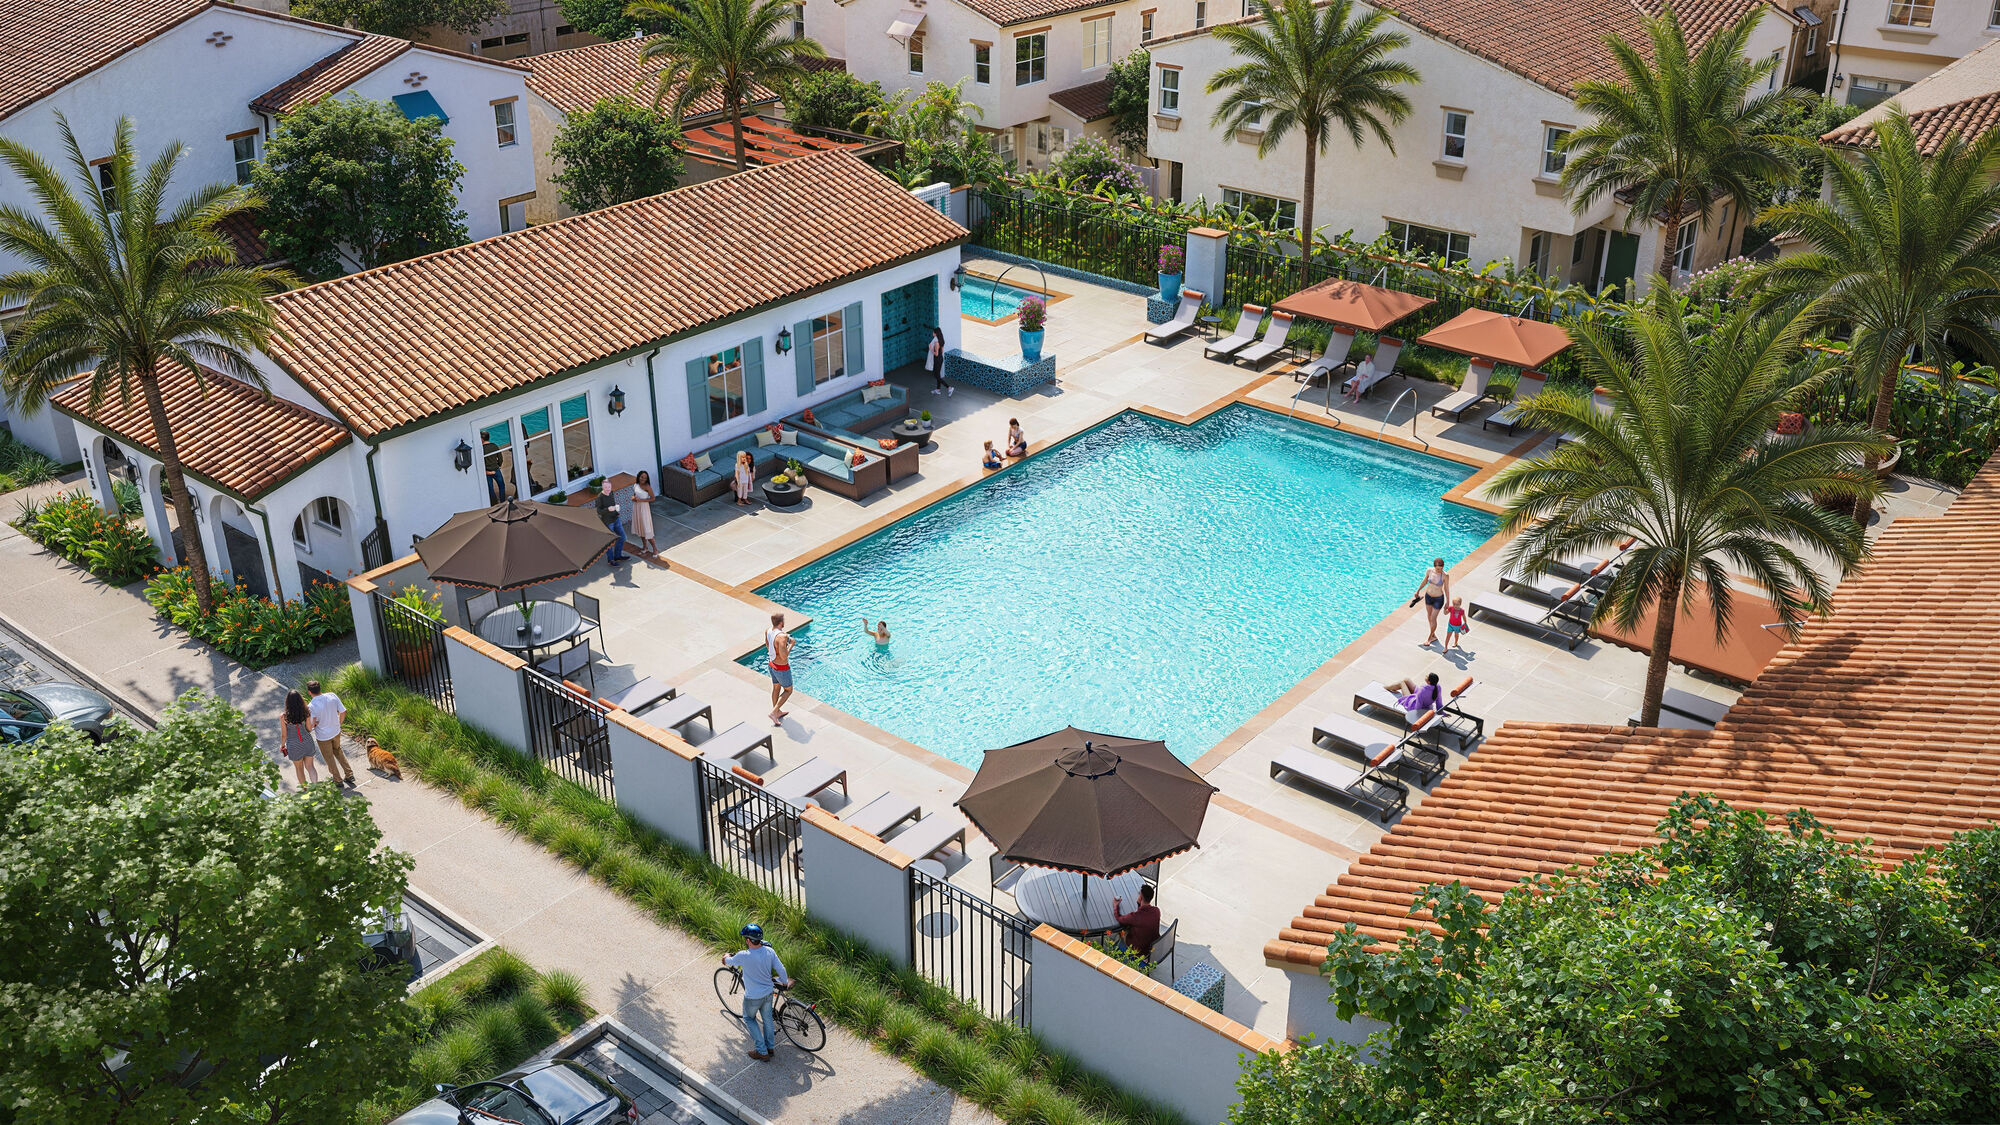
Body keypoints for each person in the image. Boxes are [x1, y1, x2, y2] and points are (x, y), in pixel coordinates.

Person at [723, 923, 791, 1061]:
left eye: (745, 939)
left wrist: (725, 957)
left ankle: (761, 1051)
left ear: (748, 940)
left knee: (749, 1018)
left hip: (753, 997)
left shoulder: (744, 956)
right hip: (768, 993)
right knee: (767, 1019)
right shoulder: (769, 951)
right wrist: (784, 981)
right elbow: (781, 969)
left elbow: (728, 961)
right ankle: (770, 1047)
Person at [306, 680, 355, 786]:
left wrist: (315, 724)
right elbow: (343, 711)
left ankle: (338, 780)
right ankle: (349, 774)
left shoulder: (311, 706)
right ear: (320, 688)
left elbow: (311, 725)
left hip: (323, 737)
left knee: (329, 758)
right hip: (336, 731)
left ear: (309, 692)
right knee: (338, 751)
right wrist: (338, 723)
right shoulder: (332, 696)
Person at [1111, 885, 1163, 962]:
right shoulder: (1156, 911)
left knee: (1116, 936)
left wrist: (1116, 906)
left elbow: (1119, 918)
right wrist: (1139, 904)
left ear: (1140, 898)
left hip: (1137, 952)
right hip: (1150, 949)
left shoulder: (1135, 917)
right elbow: (1143, 917)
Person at [280, 690, 319, 787]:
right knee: (310, 767)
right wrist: (313, 724)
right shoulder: (306, 712)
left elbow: (284, 735)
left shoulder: (284, 716)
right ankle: (316, 787)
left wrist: (282, 745)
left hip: (294, 746)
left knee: (299, 769)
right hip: (307, 742)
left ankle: (305, 790)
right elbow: (309, 729)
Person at [1408, 558, 1450, 646]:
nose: (1440, 570)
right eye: (1438, 569)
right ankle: (1433, 635)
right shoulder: (1429, 571)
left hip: (1438, 599)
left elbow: (1446, 589)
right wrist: (1418, 590)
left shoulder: (1445, 575)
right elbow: (1424, 581)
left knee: (1433, 618)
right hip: (1428, 597)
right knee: (1429, 616)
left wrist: (1448, 601)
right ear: (1434, 567)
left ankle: (1430, 638)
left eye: (1441, 568)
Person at [766, 613, 794, 725]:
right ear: (781, 622)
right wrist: (791, 644)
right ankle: (774, 712)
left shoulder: (768, 631)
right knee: (788, 690)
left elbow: (768, 646)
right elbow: (784, 657)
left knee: (776, 687)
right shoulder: (782, 637)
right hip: (781, 668)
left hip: (771, 664)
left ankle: (777, 712)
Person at [595, 487, 628, 566]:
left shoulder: (611, 493)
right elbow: (599, 511)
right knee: (609, 541)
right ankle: (610, 560)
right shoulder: (599, 498)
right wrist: (608, 510)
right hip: (608, 522)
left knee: (622, 537)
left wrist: (616, 511)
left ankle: (617, 556)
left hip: (616, 519)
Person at [629, 470, 657, 555]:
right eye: (642, 477)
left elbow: (653, 498)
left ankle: (655, 549)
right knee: (641, 529)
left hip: (644, 509)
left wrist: (641, 500)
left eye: (645, 478)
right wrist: (633, 498)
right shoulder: (636, 485)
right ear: (638, 476)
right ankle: (645, 547)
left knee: (647, 529)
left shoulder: (647, 487)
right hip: (637, 508)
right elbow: (635, 495)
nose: (643, 479)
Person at [926, 326, 949, 395]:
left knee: (936, 376)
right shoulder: (941, 340)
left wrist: (930, 348)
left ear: (936, 333)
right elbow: (942, 351)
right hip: (940, 358)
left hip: (937, 359)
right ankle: (938, 390)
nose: (932, 333)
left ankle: (949, 387)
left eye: (933, 332)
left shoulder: (936, 343)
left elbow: (936, 354)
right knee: (938, 374)